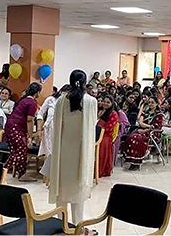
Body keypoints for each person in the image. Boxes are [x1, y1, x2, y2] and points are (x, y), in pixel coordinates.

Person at [49, 70, 97, 226]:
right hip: (81, 150)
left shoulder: (61, 100)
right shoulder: (90, 101)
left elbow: (57, 126)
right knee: (78, 188)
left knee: (62, 188)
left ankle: (61, 227)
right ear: (84, 83)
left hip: (63, 149)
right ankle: (78, 227)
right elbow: (92, 126)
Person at [4, 83, 41, 182]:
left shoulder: (23, 100)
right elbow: (29, 120)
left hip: (10, 127)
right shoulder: (32, 103)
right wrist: (30, 135)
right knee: (21, 151)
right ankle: (22, 174)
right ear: (37, 92)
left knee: (14, 153)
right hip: (16, 128)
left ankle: (2, 172)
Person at [124, 96, 163, 170]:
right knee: (131, 137)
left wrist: (146, 129)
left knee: (139, 140)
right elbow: (140, 122)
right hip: (141, 130)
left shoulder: (159, 115)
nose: (150, 104)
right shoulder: (145, 112)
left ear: (157, 104)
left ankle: (137, 163)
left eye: (152, 102)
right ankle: (132, 161)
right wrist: (147, 126)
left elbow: (157, 126)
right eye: (149, 102)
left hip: (152, 133)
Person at [37, 85, 70, 158]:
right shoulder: (51, 99)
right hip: (49, 129)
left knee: (58, 154)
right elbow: (40, 113)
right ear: (61, 91)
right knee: (49, 153)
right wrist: (39, 129)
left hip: (61, 130)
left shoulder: (68, 103)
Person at [97, 95, 118, 177]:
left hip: (105, 136)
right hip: (98, 133)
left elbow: (109, 128)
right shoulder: (101, 111)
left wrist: (99, 132)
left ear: (112, 103)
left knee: (101, 145)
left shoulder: (113, 114)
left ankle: (100, 170)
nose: (105, 103)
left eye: (108, 102)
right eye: (104, 102)